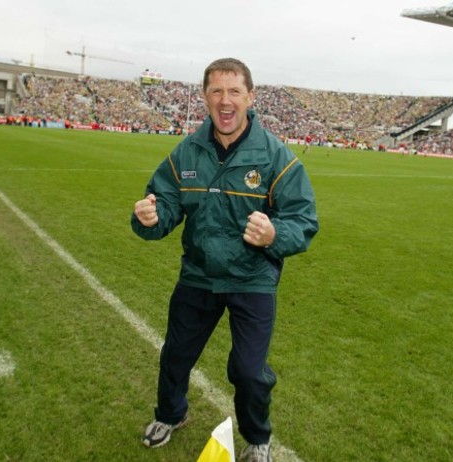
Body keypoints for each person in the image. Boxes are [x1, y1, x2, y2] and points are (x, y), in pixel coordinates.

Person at [132, 58, 319, 462]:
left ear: (250, 97)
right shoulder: (187, 152)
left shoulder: (276, 157)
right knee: (176, 356)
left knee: (250, 373)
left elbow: (303, 220)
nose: (225, 100)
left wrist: (274, 234)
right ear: (205, 98)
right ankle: (171, 414)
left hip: (252, 280)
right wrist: (149, 216)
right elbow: (162, 202)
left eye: (234, 91)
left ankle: (258, 439)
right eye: (216, 91)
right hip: (198, 276)